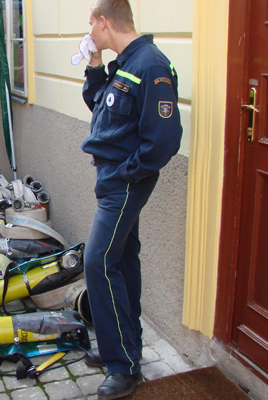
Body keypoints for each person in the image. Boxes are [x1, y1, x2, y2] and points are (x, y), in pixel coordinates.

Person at [80, 1, 182, 399]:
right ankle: (125, 345)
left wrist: (127, 173)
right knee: (121, 260)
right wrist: (93, 65)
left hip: (124, 180)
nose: (89, 31)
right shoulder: (124, 62)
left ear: (104, 22)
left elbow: (164, 139)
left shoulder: (150, 65)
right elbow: (102, 109)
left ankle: (123, 367)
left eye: (91, 23)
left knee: (98, 261)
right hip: (111, 176)